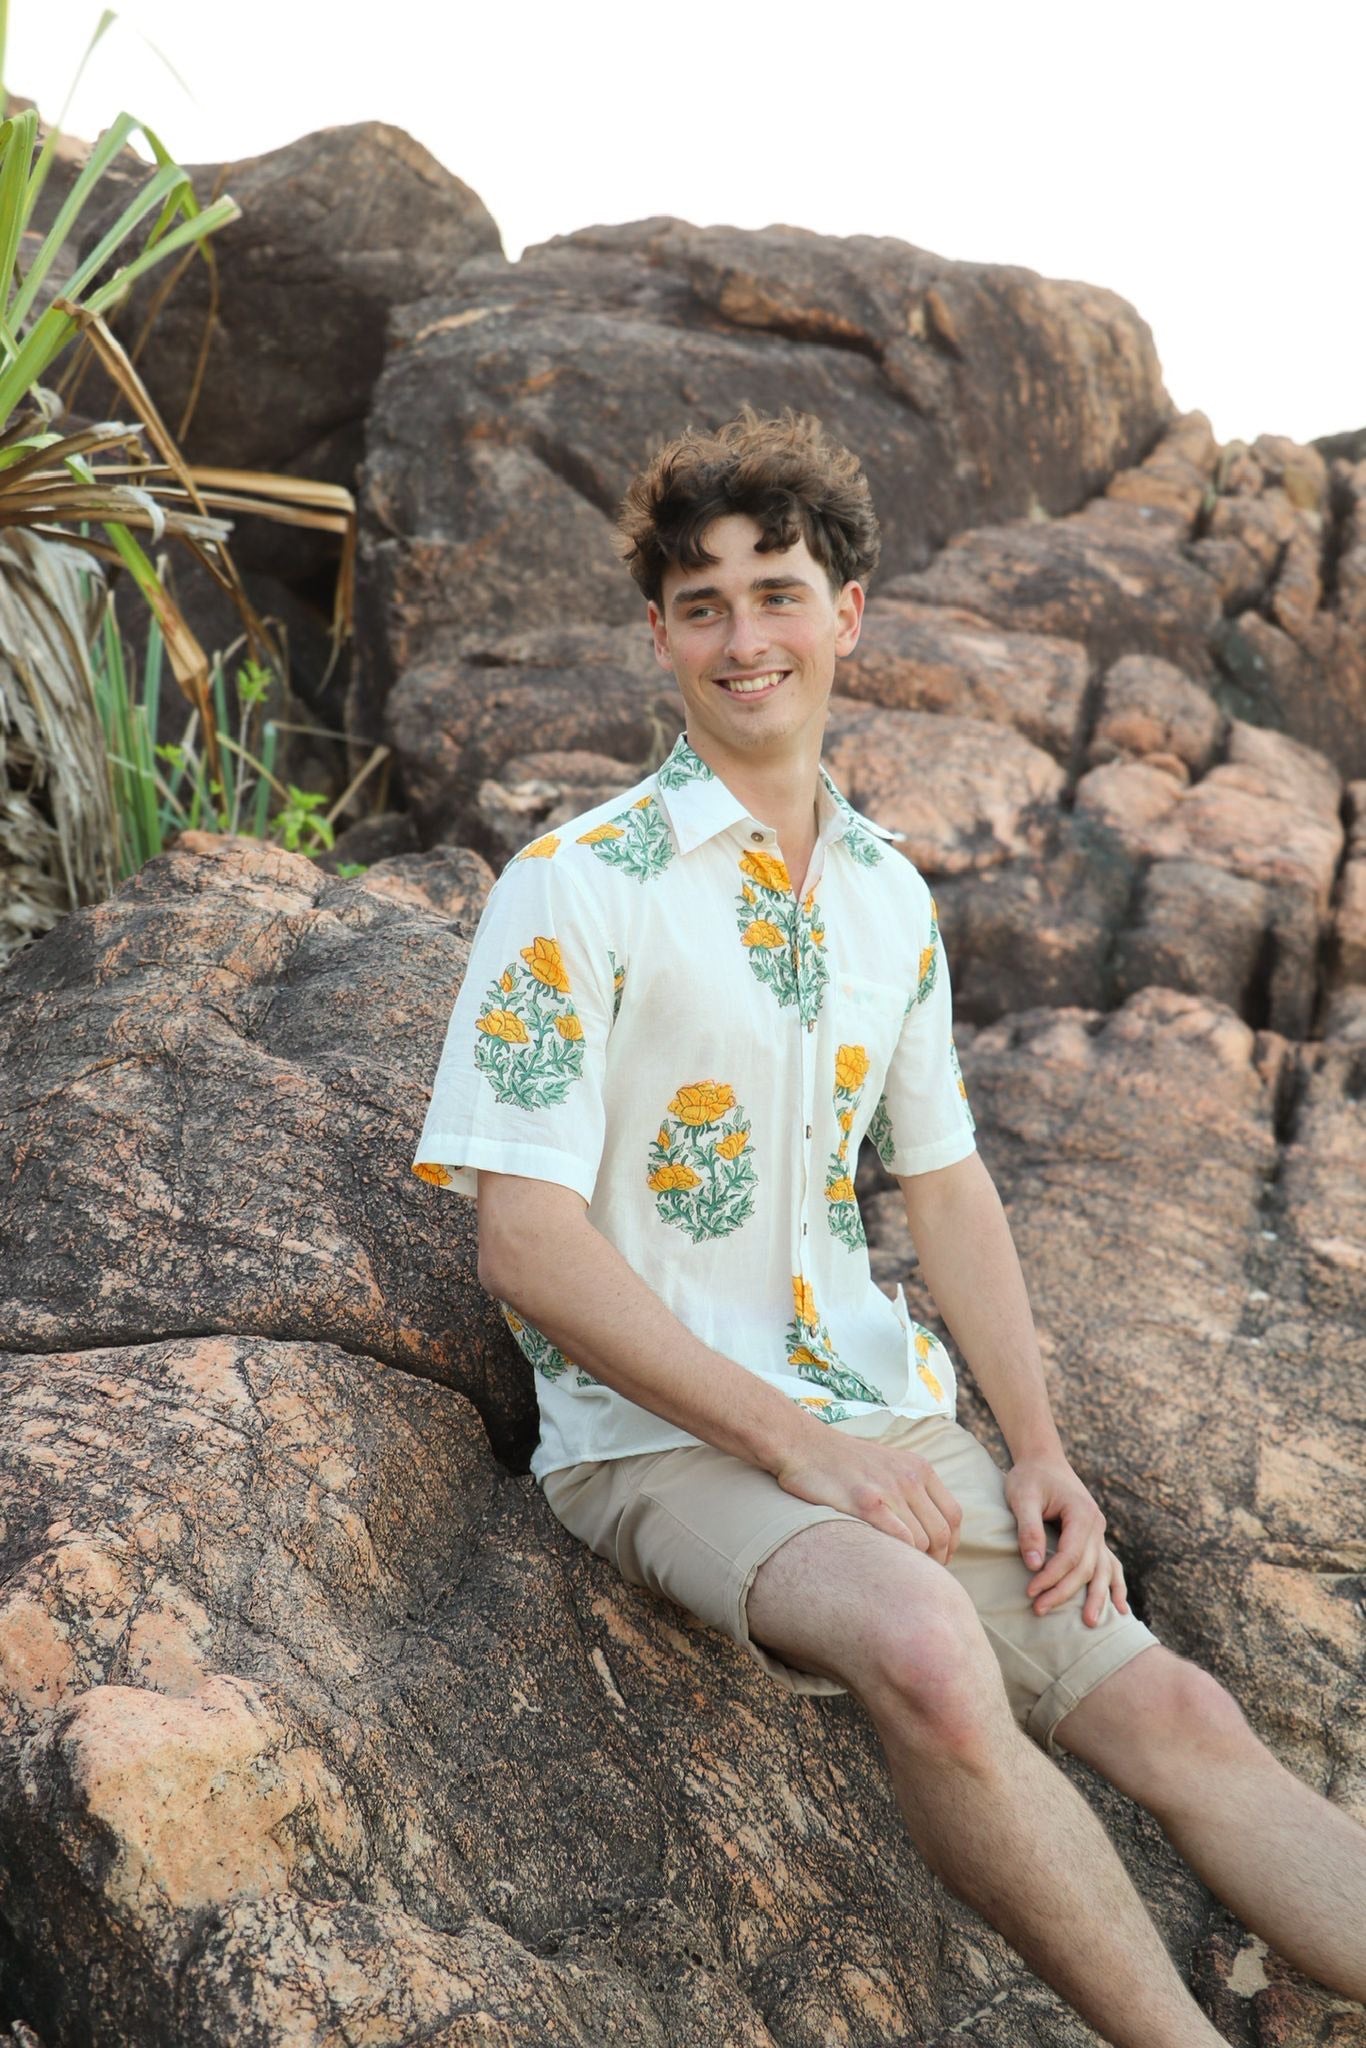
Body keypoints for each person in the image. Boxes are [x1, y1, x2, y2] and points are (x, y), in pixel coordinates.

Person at [412, 406, 1366, 2045]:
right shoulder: (576, 884)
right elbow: (526, 1242)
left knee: (1183, 1713)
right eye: (699, 603)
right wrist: (796, 1447)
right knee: (925, 1643)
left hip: (881, 1416)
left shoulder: (883, 893)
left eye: (775, 591)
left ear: (846, 613)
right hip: (658, 1437)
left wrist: (1038, 1448)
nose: (742, 635)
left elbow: (943, 1179)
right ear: (657, 635)